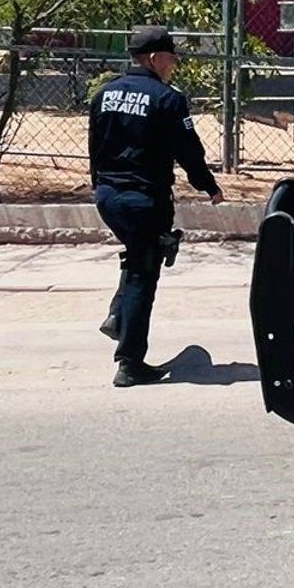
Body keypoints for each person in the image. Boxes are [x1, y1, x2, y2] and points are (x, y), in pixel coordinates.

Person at [89, 25, 224, 387]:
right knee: (143, 274)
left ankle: (118, 316)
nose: (173, 65)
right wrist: (208, 186)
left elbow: (94, 146)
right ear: (153, 58)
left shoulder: (104, 94)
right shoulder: (167, 99)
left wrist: (98, 186)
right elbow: (189, 151)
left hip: (109, 197)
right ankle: (129, 362)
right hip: (145, 199)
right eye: (170, 58)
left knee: (137, 255)